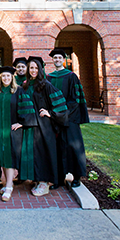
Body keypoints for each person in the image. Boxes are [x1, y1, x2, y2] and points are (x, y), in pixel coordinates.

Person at [21, 56, 68, 196]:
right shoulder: (26, 85)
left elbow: (61, 104)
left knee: (43, 153)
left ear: (40, 69)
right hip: (31, 125)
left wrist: (51, 113)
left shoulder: (46, 85)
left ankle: (44, 183)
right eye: (31, 68)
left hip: (43, 126)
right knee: (34, 153)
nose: (33, 70)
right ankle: (37, 179)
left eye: (36, 68)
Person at [0, 66, 36, 202]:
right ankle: (7, 183)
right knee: (3, 157)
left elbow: (28, 108)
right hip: (0, 129)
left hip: (12, 130)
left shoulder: (18, 91)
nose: (6, 78)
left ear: (12, 77)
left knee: (10, 157)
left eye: (8, 76)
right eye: (3, 76)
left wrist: (22, 123)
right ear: (0, 78)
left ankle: (9, 186)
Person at [47, 49, 90, 188]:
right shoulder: (49, 77)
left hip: (69, 118)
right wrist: (54, 114)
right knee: (58, 148)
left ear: (64, 60)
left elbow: (75, 99)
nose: (57, 59)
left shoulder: (71, 76)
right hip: (54, 119)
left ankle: (76, 177)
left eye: (59, 57)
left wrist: (63, 114)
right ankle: (59, 178)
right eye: (55, 58)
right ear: (52, 60)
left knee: (73, 147)